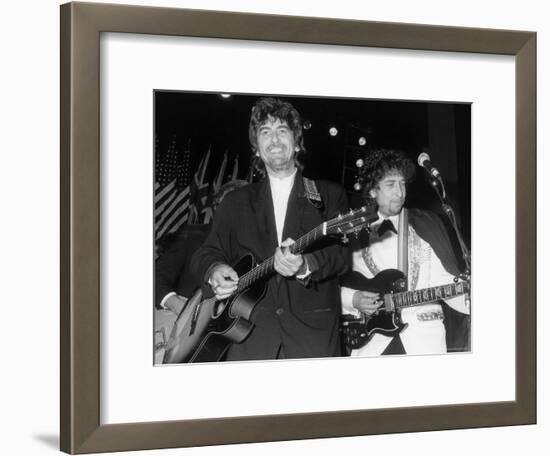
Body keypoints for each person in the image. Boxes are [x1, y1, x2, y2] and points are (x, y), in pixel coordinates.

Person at [191, 97, 349, 361]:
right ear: (256, 148)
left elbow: (342, 257)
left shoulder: (329, 195)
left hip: (312, 342)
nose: (274, 140)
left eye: (282, 131)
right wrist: (215, 270)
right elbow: (205, 253)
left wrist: (305, 265)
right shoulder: (235, 201)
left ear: (297, 143)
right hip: (247, 343)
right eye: (265, 132)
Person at [341, 148, 470, 356]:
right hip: (373, 344)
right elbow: (329, 288)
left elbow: (442, 280)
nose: (400, 192)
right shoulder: (353, 234)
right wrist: (353, 299)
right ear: (373, 191)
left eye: (402, 184)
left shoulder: (426, 224)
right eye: (391, 185)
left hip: (423, 340)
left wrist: (471, 298)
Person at [154, 180, 248, 363]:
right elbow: (156, 277)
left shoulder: (255, 252)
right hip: (175, 323)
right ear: (217, 207)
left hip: (221, 343)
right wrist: (181, 309)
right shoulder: (194, 234)